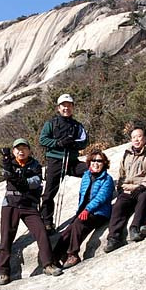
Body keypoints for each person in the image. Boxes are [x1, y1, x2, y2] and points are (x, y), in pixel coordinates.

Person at [0, 138, 63, 284]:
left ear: (29, 150)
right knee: (6, 238)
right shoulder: (10, 163)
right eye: (18, 149)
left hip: (28, 205)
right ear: (14, 151)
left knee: (41, 232)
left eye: (24, 148)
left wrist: (20, 180)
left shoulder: (35, 165)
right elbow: (6, 173)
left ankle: (48, 264)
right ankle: (4, 273)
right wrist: (6, 160)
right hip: (10, 204)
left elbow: (34, 182)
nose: (21, 151)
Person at [52, 149, 114, 268]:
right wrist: (81, 210)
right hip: (84, 211)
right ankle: (54, 258)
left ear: (104, 163)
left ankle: (73, 254)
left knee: (78, 224)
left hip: (99, 213)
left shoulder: (107, 179)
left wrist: (87, 209)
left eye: (99, 161)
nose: (96, 163)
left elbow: (101, 198)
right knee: (66, 232)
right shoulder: (86, 176)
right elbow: (82, 195)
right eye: (93, 160)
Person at [39, 93, 89, 232]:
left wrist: (73, 144)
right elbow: (43, 140)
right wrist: (59, 143)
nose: (66, 108)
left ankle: (90, 204)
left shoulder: (77, 125)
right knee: (48, 193)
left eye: (69, 105)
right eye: (63, 105)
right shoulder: (51, 123)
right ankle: (47, 222)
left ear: (72, 107)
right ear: (58, 108)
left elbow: (84, 141)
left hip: (71, 161)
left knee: (91, 170)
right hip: (55, 161)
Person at [108, 125, 146, 243]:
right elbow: (121, 174)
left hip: (145, 188)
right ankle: (113, 237)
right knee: (118, 206)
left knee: (144, 198)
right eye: (133, 137)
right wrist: (121, 188)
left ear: (145, 137)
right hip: (128, 189)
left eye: (139, 136)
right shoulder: (127, 153)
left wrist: (142, 186)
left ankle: (135, 228)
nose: (136, 140)